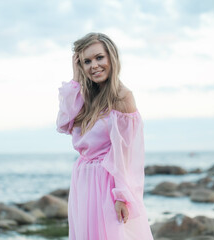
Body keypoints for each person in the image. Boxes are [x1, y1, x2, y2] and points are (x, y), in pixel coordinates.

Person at [56, 32, 154, 240]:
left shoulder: (122, 97)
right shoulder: (85, 96)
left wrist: (122, 196)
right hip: (82, 181)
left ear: (111, 57)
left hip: (106, 183)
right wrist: (75, 78)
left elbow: (126, 155)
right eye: (86, 61)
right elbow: (63, 124)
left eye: (99, 57)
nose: (94, 66)